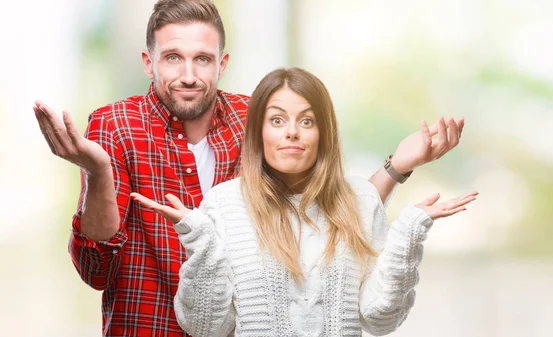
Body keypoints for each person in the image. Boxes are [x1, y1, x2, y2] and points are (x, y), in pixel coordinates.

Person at [32, 0, 464, 336]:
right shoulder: (115, 125)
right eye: (172, 58)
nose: (187, 74)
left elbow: (324, 214)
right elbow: (96, 272)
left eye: (202, 59)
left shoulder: (256, 120)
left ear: (221, 63)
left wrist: (396, 167)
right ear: (149, 62)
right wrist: (98, 173)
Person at [131, 67, 477, 337]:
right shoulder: (224, 205)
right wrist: (201, 241)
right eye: (277, 120)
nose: (291, 132)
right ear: (259, 132)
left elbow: (380, 319)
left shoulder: (360, 200)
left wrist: (408, 231)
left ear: (323, 133)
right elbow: (206, 327)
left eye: (307, 121)